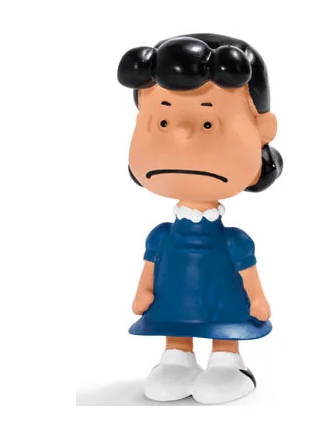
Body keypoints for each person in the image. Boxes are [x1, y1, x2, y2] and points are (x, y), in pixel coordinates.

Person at [117, 33, 283, 403]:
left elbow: (247, 272)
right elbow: (151, 266)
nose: (181, 132)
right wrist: (144, 290)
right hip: (173, 303)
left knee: (226, 323)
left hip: (224, 302)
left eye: (208, 123)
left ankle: (228, 361)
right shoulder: (160, 236)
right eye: (162, 121)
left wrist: (257, 299)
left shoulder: (234, 241)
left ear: (261, 133)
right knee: (173, 320)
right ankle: (177, 356)